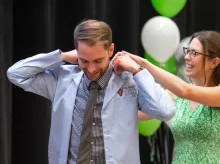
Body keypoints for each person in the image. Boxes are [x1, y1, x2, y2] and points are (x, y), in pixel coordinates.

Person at [7, 19, 175, 164]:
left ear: (110, 50)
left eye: (98, 60)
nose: (92, 68)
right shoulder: (62, 80)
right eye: (84, 60)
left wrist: (138, 71)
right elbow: (16, 74)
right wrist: (62, 57)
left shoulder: (129, 81)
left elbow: (165, 111)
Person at [112, 30, 220, 164]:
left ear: (214, 62)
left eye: (194, 53)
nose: (187, 57)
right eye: (187, 51)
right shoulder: (176, 96)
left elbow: (186, 90)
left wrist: (142, 65)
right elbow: (135, 113)